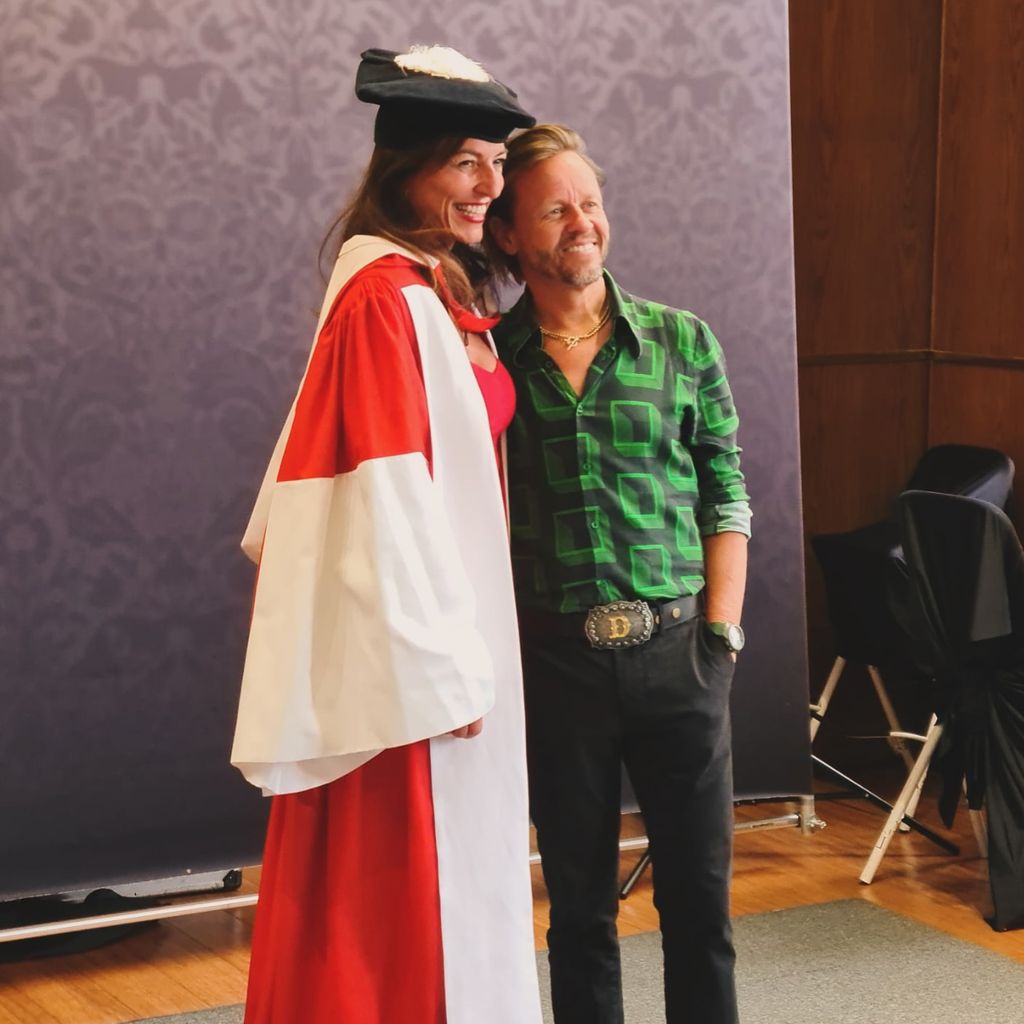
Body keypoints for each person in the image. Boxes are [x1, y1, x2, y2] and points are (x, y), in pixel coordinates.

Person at [229, 47, 541, 1024]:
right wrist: (439, 662)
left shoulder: (425, 292)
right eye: (466, 163)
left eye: (496, 162)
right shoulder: (385, 301)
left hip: (450, 641)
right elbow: (377, 491)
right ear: (405, 166)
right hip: (417, 670)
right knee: (399, 909)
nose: (490, 185)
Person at [485, 123, 752, 1024]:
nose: (581, 222)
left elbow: (727, 492)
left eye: (590, 203)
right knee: (581, 917)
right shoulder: (486, 364)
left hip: (681, 654)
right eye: (555, 209)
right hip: (558, 671)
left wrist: (721, 633)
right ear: (512, 234)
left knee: (700, 911)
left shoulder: (683, 341)